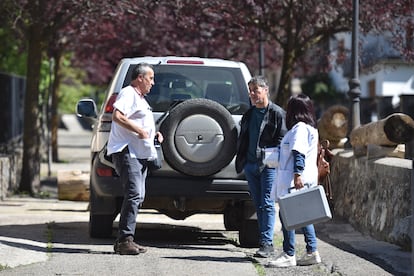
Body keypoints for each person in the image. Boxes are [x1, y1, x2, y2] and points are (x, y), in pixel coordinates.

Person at [107, 63, 163, 255]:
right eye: (151, 78)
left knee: (138, 196)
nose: (153, 83)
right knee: (134, 195)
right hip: (127, 151)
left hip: (140, 153)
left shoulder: (140, 99)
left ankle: (125, 239)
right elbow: (117, 116)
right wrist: (139, 130)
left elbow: (140, 122)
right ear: (140, 78)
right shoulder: (128, 93)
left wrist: (154, 134)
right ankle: (124, 240)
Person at [235, 76, 287, 258]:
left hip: (269, 166)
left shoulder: (277, 113)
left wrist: (271, 155)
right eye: (250, 90)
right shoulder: (249, 114)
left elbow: (283, 139)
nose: (252, 94)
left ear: (265, 90)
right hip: (250, 166)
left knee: (267, 203)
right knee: (258, 205)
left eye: (255, 90)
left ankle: (267, 243)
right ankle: (264, 241)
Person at [268, 93, 321, 267]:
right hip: (303, 178)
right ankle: (312, 251)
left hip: (294, 180)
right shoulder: (311, 129)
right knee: (304, 216)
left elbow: (299, 152)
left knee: (288, 216)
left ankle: (289, 254)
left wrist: (297, 175)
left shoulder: (299, 128)